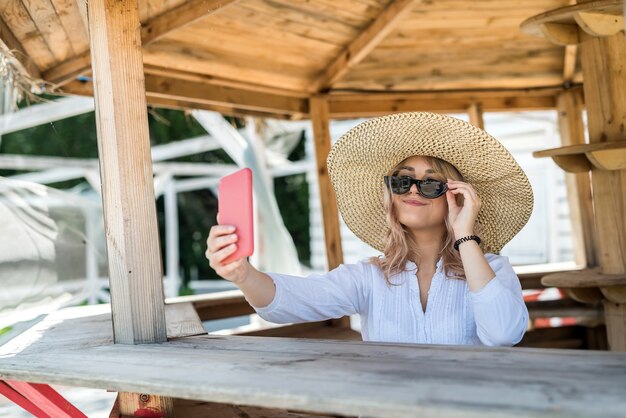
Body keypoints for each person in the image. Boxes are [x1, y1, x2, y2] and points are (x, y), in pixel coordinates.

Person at [206, 112, 532, 346]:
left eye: (431, 183)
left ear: (456, 195)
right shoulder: (369, 278)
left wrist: (465, 235)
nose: (413, 191)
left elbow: (503, 333)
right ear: (391, 194)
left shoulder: (493, 270)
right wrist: (242, 275)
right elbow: (290, 302)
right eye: (402, 181)